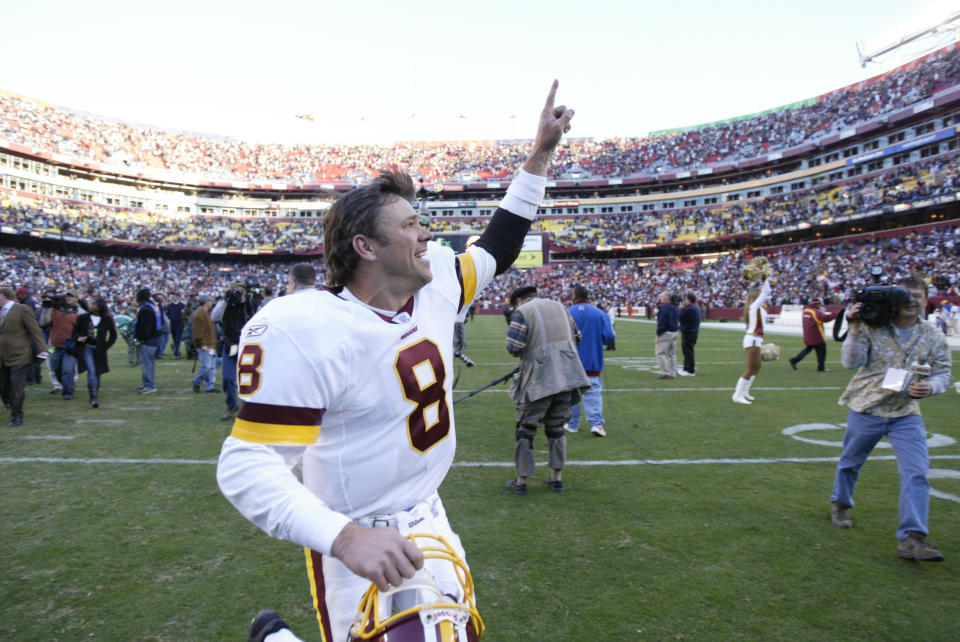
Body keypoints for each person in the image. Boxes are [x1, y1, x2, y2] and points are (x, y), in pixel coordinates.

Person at [216, 80, 575, 642]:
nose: (425, 232)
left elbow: (501, 243)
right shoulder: (307, 327)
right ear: (365, 246)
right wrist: (343, 538)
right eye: (409, 225)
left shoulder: (438, 284)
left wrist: (540, 153)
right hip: (360, 538)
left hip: (432, 517)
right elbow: (245, 466)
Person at [830, 273, 951, 561]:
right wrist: (855, 327)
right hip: (867, 407)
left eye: (917, 295)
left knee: (917, 471)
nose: (911, 301)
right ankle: (840, 503)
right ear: (894, 301)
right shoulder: (874, 326)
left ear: (926, 299)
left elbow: (944, 371)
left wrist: (931, 386)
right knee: (850, 462)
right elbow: (851, 362)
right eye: (904, 296)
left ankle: (912, 537)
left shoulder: (933, 335)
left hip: (905, 412)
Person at [506, 285, 589, 493]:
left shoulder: (523, 312)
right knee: (556, 427)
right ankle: (556, 478)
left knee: (525, 429)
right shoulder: (561, 307)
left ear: (518, 301)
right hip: (567, 375)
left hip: (539, 379)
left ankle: (521, 480)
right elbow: (577, 337)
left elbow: (514, 347)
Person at [566, 285, 615, 437]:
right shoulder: (599, 313)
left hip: (571, 361)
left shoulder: (567, 313)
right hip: (592, 359)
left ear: (574, 297)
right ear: (588, 297)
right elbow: (609, 337)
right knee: (593, 392)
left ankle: (572, 424)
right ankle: (596, 424)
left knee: (572, 393)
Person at [0, 286, 48, 426]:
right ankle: (10, 404)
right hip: (3, 355)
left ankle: (17, 416)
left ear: (3, 295)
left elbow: (35, 330)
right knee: (2, 386)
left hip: (19, 354)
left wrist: (42, 349)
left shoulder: (22, 309)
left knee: (17, 386)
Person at [211, 283, 251, 421]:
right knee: (228, 378)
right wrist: (225, 300)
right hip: (231, 345)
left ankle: (249, 407)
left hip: (248, 345)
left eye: (240, 292)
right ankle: (231, 405)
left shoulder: (249, 304)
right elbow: (214, 317)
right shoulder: (226, 305)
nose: (237, 295)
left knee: (248, 378)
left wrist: (246, 301)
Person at [71, 296, 118, 408]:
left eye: (94, 304)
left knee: (97, 372)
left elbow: (113, 335)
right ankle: (94, 397)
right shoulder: (83, 318)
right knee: (91, 370)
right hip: (87, 346)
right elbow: (75, 332)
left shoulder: (107, 319)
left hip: (100, 349)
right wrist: (78, 338)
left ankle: (94, 392)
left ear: (100, 306)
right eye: (91, 304)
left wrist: (107, 345)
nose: (91, 306)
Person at [732, 275, 772, 404]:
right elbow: (767, 292)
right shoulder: (754, 307)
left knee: (757, 368)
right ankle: (737, 395)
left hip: (757, 339)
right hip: (752, 340)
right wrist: (765, 278)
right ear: (757, 298)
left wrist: (762, 341)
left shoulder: (757, 308)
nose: (764, 298)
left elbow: (767, 293)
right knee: (750, 369)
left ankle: (745, 392)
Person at [44, 289, 82, 400]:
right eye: (67, 296)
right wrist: (47, 308)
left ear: (76, 298)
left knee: (68, 369)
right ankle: (67, 385)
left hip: (71, 345)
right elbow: (44, 323)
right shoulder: (55, 310)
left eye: (71, 296)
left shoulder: (79, 312)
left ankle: (68, 393)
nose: (68, 298)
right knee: (55, 368)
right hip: (55, 345)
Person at [788, 297, 839, 372]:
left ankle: (794, 360)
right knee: (821, 352)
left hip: (808, 335)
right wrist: (835, 314)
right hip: (817, 335)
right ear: (817, 304)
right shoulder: (815, 312)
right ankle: (821, 367)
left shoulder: (806, 310)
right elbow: (824, 318)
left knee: (807, 350)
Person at [134, 287, 163, 394]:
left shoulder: (145, 309)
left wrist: (140, 338)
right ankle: (147, 383)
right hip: (154, 338)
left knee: (147, 364)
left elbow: (145, 327)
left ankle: (150, 385)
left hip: (148, 340)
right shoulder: (153, 307)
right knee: (148, 363)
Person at [191, 295, 219, 394]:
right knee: (206, 366)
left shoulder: (205, 313)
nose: (211, 303)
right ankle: (197, 381)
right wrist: (201, 343)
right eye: (210, 301)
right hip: (205, 344)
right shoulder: (199, 314)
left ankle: (210, 386)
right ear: (206, 302)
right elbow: (197, 331)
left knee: (212, 367)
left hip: (210, 343)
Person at [15, 287, 42, 385]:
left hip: (29, 332)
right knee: (34, 356)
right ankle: (37, 378)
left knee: (29, 356)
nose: (17, 297)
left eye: (18, 295)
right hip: (33, 331)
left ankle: (30, 379)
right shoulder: (31, 301)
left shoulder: (27, 303)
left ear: (23, 295)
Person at [654, 290, 679, 379]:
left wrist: (658, 335)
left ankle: (665, 372)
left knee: (660, 353)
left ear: (666, 298)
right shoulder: (674, 308)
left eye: (662, 296)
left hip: (666, 333)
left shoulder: (664, 308)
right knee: (672, 354)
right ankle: (672, 372)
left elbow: (662, 323)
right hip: (674, 332)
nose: (661, 298)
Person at [678, 291, 701, 376]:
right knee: (687, 351)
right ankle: (686, 368)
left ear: (689, 300)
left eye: (686, 299)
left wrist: (681, 308)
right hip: (690, 332)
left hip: (689, 332)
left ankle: (690, 370)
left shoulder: (691, 308)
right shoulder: (693, 307)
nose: (685, 301)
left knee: (688, 351)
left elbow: (679, 316)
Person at [166, 292, 186, 359]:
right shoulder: (170, 306)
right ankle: (177, 350)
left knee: (178, 338)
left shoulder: (182, 305)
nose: (173, 297)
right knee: (174, 338)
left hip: (179, 324)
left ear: (178, 297)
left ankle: (176, 353)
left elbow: (184, 315)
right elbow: (168, 314)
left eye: (175, 296)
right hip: (172, 323)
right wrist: (171, 317)